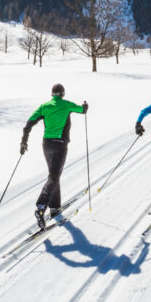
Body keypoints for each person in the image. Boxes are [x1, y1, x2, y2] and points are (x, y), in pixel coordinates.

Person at [21, 83, 88, 229]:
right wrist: (85, 106)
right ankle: (41, 206)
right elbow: (83, 111)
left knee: (54, 175)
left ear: (52, 94)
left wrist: (24, 142)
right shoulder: (66, 104)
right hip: (60, 145)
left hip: (46, 145)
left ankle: (54, 206)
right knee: (54, 176)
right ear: (63, 94)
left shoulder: (44, 106)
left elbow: (28, 124)